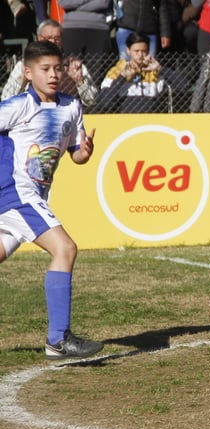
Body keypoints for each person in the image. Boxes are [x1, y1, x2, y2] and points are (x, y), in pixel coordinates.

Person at [0, 40, 102, 360]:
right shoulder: (18, 106)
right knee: (65, 248)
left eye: (57, 68)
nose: (53, 74)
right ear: (28, 73)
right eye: (45, 69)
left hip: (31, 196)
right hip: (15, 194)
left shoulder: (71, 106)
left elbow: (76, 154)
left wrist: (84, 152)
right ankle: (58, 339)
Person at [1, 19, 98, 108]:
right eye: (49, 38)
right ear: (39, 38)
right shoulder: (25, 65)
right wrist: (22, 79)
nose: (53, 42)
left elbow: (92, 101)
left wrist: (80, 81)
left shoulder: (74, 65)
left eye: (57, 38)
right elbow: (6, 99)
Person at [99, 32, 166, 112]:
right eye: (136, 51)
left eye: (144, 51)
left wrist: (162, 70)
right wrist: (122, 77)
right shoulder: (116, 71)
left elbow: (182, 87)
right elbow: (105, 101)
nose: (140, 55)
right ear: (128, 51)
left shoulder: (154, 72)